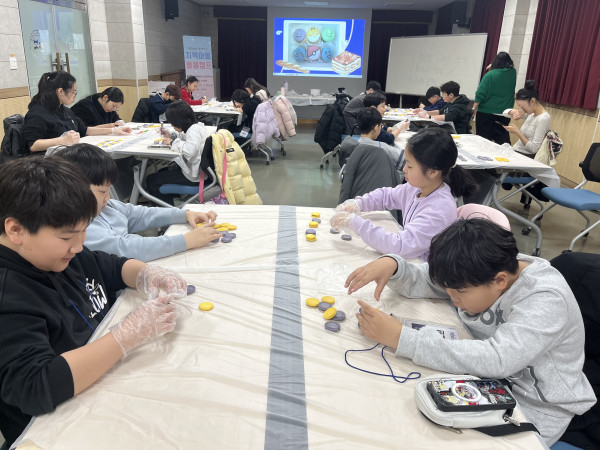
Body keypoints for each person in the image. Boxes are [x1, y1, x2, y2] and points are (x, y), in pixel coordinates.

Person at [345, 219, 596, 446]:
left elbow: (499, 359)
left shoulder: (546, 299)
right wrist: (394, 266)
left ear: (500, 281)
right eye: (449, 291)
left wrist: (402, 338)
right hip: (488, 382)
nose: (452, 299)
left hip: (537, 406)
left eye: (459, 293)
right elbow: (432, 280)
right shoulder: (481, 271)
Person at [0, 156, 188, 447]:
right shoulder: (10, 295)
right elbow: (36, 386)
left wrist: (146, 273)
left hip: (106, 384)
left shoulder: (57, 255)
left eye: (84, 230)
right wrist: (125, 337)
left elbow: (109, 267)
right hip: (60, 427)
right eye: (67, 237)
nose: (79, 246)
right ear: (16, 230)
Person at [54, 143, 222, 261]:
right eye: (103, 192)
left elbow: (140, 214)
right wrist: (186, 241)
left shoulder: (106, 207)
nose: (109, 197)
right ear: (74, 190)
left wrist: (184, 214)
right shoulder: (80, 229)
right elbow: (127, 248)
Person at [331, 127, 477, 260]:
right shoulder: (417, 188)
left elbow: (400, 246)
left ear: (432, 172)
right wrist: (358, 203)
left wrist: (355, 223)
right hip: (411, 259)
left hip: (426, 270)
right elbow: (387, 196)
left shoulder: (439, 209)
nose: (404, 169)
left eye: (410, 166)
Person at [23, 71, 130, 154]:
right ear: (60, 91)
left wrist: (113, 131)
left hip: (68, 155)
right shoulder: (37, 113)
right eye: (73, 92)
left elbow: (85, 130)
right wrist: (62, 140)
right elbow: (33, 145)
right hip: (51, 162)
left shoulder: (64, 110)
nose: (75, 95)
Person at [144, 101, 211, 206]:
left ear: (179, 122)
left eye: (172, 124)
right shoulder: (196, 126)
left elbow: (190, 151)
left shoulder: (194, 131)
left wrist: (172, 142)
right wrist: (172, 135)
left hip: (195, 177)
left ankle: (168, 208)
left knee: (151, 180)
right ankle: (173, 201)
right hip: (199, 173)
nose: (172, 126)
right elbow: (186, 138)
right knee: (162, 171)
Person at [472, 52, 517, 144]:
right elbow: (504, 70)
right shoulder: (513, 73)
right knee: (501, 140)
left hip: (486, 113)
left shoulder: (489, 75)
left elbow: (480, 94)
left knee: (483, 141)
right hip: (505, 113)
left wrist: (474, 107)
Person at [504, 80, 551, 156]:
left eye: (522, 106)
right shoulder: (532, 114)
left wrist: (518, 132)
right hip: (516, 151)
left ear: (532, 101)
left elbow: (534, 149)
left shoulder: (543, 119)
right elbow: (505, 112)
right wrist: (515, 111)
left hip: (526, 156)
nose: (521, 109)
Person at [354, 108, 404, 172]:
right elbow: (405, 160)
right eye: (380, 126)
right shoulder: (381, 148)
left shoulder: (354, 146)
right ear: (376, 128)